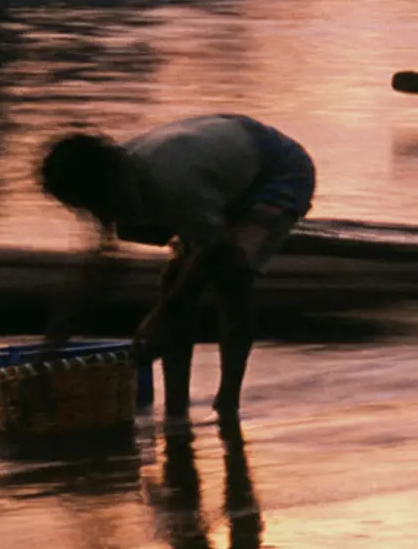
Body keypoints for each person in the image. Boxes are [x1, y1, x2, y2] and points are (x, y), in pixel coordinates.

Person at [39, 114, 318, 419]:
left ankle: (227, 401)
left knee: (231, 274)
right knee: (174, 282)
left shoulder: (169, 180)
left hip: (278, 170)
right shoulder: (101, 185)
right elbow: (103, 262)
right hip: (220, 170)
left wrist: (163, 313)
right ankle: (176, 406)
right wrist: (58, 335)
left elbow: (213, 247)